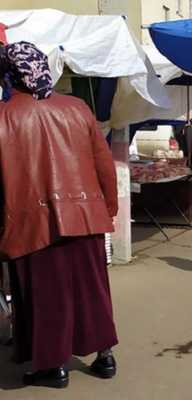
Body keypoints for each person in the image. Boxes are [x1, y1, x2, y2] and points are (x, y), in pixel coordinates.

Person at [0, 41, 119, 388]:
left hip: (31, 224)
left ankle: (53, 367)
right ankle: (105, 356)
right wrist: (106, 209)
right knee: (91, 290)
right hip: (85, 217)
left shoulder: (4, 115)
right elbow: (103, 164)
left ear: (10, 75)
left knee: (45, 297)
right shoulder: (78, 107)